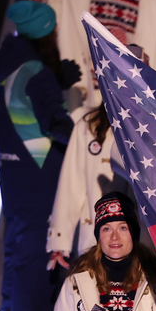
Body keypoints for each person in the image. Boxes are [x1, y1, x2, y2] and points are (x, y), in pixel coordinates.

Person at [0, 0, 75, 311]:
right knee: (33, 257)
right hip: (38, 174)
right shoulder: (37, 72)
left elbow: (23, 103)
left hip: (12, 170)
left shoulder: (13, 62)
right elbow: (53, 123)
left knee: (16, 251)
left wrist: (56, 82)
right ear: (46, 32)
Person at [46, 101, 122, 270]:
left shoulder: (146, 125)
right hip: (93, 240)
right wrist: (60, 239)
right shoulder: (88, 125)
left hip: (134, 239)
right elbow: (72, 184)